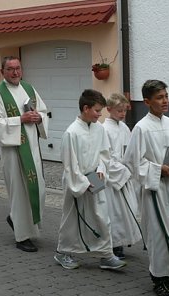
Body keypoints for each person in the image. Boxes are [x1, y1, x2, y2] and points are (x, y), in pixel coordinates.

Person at [124, 80, 169, 296]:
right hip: (154, 189)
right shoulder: (141, 128)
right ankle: (159, 277)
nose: (165, 101)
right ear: (147, 101)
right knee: (160, 233)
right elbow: (133, 163)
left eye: (166, 96)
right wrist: (157, 169)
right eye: (160, 97)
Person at [54, 89, 126, 271]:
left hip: (96, 177)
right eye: (97, 110)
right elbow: (70, 164)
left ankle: (106, 254)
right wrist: (83, 183)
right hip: (78, 181)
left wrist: (101, 169)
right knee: (72, 217)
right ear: (85, 108)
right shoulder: (72, 133)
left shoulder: (99, 129)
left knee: (102, 215)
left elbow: (105, 153)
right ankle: (63, 252)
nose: (100, 114)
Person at [0, 56, 49, 252]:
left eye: (18, 68)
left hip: (31, 148)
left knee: (38, 189)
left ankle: (16, 219)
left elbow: (44, 111)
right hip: (13, 152)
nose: (15, 72)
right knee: (19, 195)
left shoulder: (29, 89)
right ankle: (22, 237)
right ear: (3, 71)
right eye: (11, 69)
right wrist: (19, 119)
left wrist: (39, 118)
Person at [101, 93, 142, 259]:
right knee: (114, 212)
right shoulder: (104, 129)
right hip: (114, 179)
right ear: (109, 109)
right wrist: (122, 170)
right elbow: (105, 157)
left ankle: (124, 240)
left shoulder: (124, 128)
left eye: (124, 110)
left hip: (125, 175)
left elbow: (130, 150)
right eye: (119, 110)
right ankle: (114, 245)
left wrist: (131, 166)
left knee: (127, 210)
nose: (122, 114)